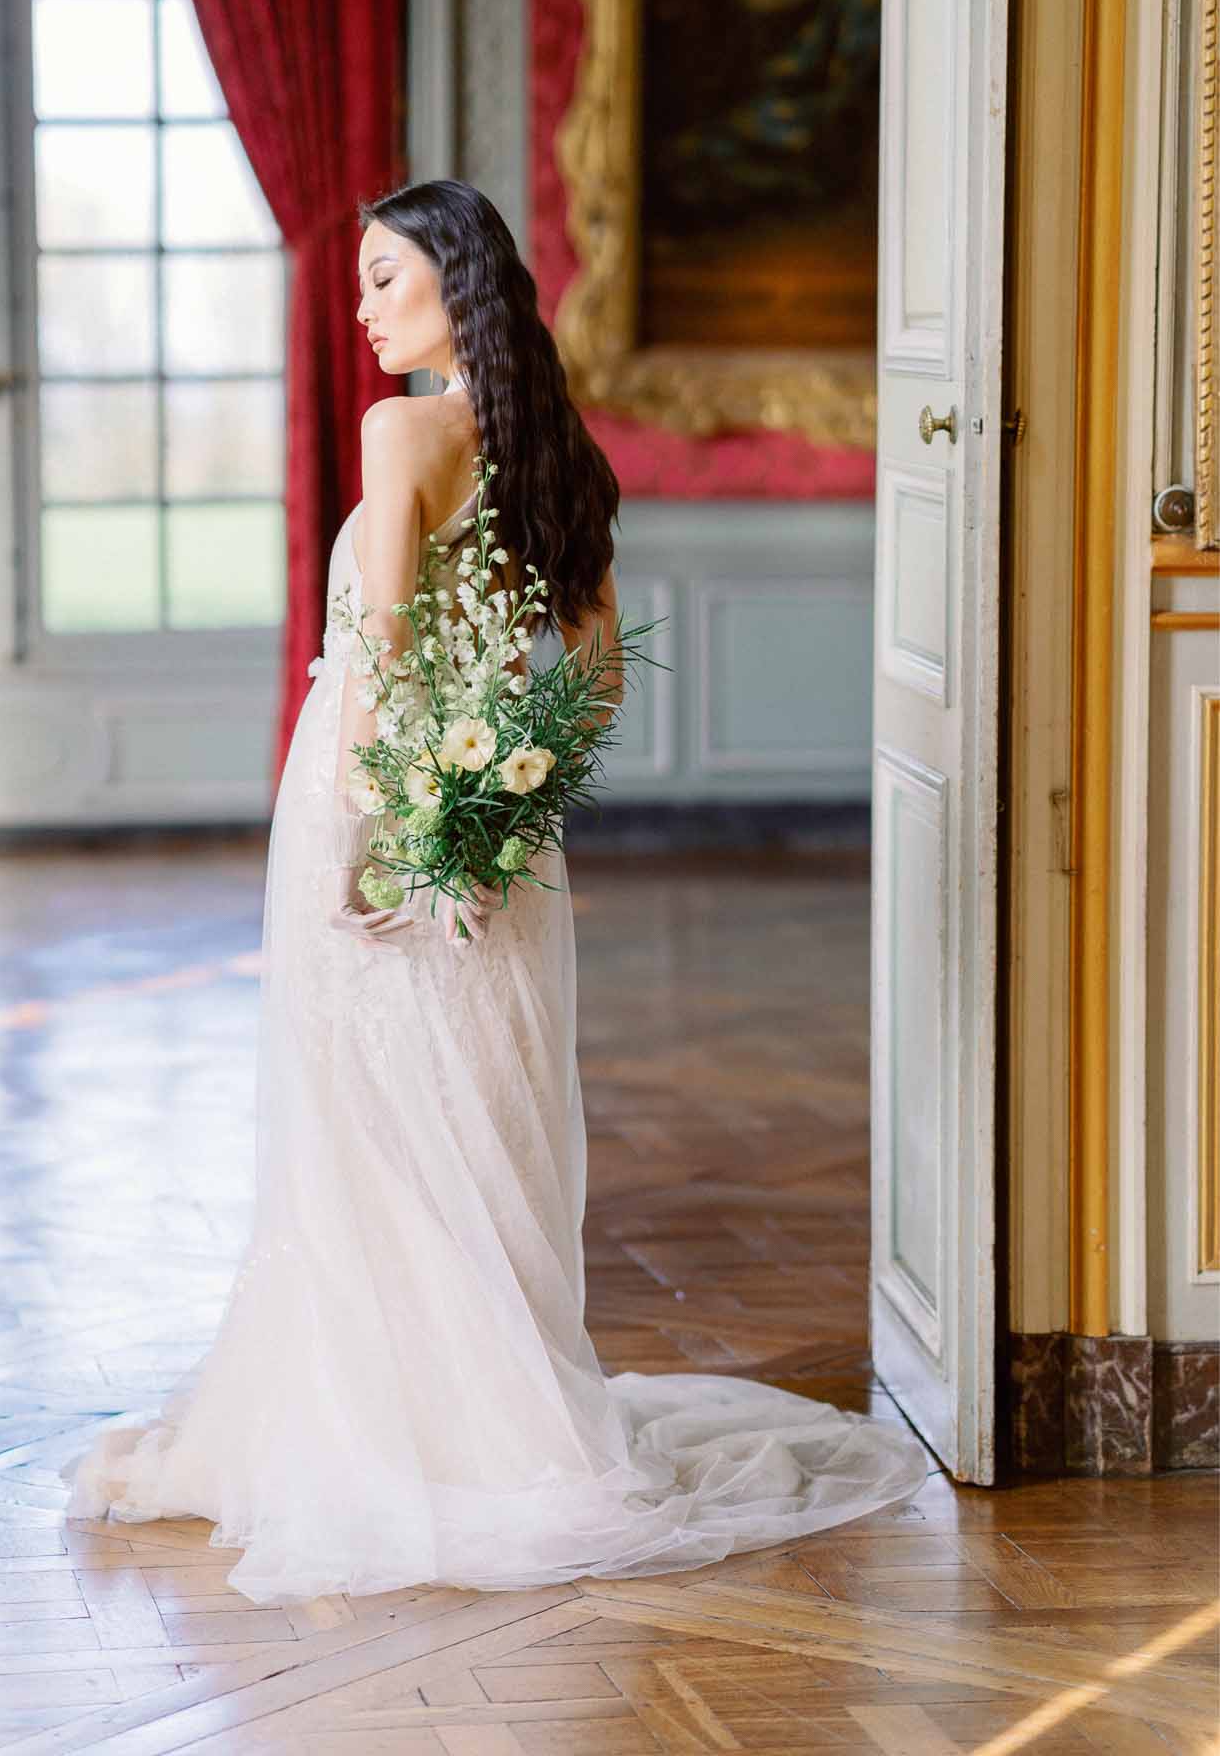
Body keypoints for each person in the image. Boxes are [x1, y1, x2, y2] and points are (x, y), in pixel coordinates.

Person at [59, 178, 929, 1602]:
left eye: (384, 277)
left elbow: (387, 661)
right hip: (497, 841)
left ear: (457, 286)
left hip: (368, 804)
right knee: (479, 1118)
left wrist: (385, 840)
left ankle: (402, 1427)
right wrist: (501, 805)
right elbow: (589, 679)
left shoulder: (398, 431)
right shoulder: (555, 452)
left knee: (368, 1123)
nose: (360, 307)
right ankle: (494, 1413)